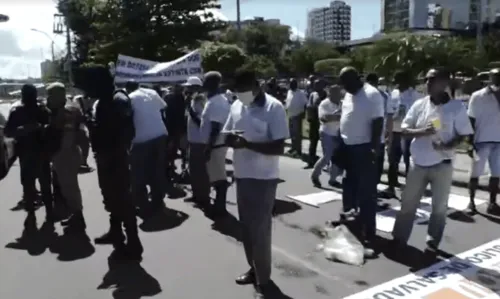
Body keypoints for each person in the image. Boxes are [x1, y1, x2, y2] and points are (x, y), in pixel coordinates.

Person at [392, 68, 473, 252]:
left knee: (439, 207)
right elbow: (404, 131)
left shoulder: (456, 107)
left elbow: (464, 134)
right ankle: (399, 238)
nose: (427, 83)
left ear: (444, 83)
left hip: (442, 165)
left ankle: (432, 242)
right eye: (426, 80)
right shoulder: (419, 105)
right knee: (408, 204)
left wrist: (448, 145)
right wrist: (422, 132)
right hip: (417, 164)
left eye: (432, 80)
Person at [223, 70, 289, 297]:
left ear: (255, 85)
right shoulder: (236, 106)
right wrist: (229, 139)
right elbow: (228, 133)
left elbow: (279, 147)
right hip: (242, 176)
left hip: (264, 179)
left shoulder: (274, 108)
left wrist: (247, 144)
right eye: (236, 90)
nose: (239, 94)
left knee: (260, 231)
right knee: (247, 229)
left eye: (242, 89)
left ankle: (264, 281)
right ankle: (254, 269)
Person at [89, 67, 143, 261]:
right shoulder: (103, 101)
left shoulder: (118, 99)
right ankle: (116, 232)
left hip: (115, 157)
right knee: (111, 198)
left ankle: (134, 242)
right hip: (105, 155)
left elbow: (127, 130)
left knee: (122, 200)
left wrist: (117, 150)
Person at [339, 67, 384, 249]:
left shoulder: (372, 94)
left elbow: (378, 122)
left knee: (366, 193)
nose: (345, 88)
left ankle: (367, 231)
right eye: (343, 84)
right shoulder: (349, 94)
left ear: (357, 78)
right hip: (348, 147)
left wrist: (373, 149)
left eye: (347, 83)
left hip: (365, 148)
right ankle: (351, 224)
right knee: (348, 187)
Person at [5, 84, 53, 220]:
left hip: (38, 152)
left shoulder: (42, 110)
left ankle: (46, 213)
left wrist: (40, 128)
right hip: (29, 153)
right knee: (31, 185)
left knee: (40, 184)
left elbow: (52, 128)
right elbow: (9, 132)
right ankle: (34, 213)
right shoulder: (18, 112)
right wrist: (23, 129)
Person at [45, 82, 86, 232]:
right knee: (68, 187)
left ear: (57, 95)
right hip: (66, 154)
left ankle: (78, 217)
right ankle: (75, 215)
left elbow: (69, 135)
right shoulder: (69, 109)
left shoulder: (67, 111)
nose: (48, 99)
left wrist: (60, 155)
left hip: (66, 154)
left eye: (50, 95)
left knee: (70, 188)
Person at [126, 80, 168, 216]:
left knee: (139, 172)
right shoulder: (152, 92)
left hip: (141, 139)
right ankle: (158, 200)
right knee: (157, 169)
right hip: (160, 134)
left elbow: (127, 118)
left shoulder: (129, 99)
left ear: (128, 89)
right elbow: (163, 107)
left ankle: (142, 203)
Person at [383, 71, 422, 197]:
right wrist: (387, 132)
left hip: (408, 133)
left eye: (398, 81)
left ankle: (409, 188)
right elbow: (388, 113)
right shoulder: (393, 94)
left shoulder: (415, 95)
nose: (396, 85)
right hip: (394, 131)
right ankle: (391, 186)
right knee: (392, 160)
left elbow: (419, 114)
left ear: (405, 81)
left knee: (408, 162)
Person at [467, 68, 500, 214]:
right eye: (496, 76)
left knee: (496, 174)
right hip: (481, 140)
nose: (498, 78)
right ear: (490, 78)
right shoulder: (477, 96)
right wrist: (469, 142)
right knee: (475, 173)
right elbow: (471, 120)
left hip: (499, 141)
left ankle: (492, 203)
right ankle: (471, 202)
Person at [200, 71, 231, 217]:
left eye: (205, 81)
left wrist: (208, 147)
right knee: (217, 176)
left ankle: (220, 208)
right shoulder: (214, 100)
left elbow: (215, 128)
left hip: (215, 146)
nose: (203, 83)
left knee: (220, 179)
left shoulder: (218, 102)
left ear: (211, 83)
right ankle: (219, 206)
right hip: (215, 145)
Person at [185, 76, 211, 206]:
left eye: (189, 87)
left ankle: (204, 197)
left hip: (199, 141)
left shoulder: (201, 100)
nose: (187, 89)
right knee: (194, 170)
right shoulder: (193, 100)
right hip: (193, 140)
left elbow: (202, 121)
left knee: (201, 171)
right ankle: (196, 195)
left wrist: (191, 111)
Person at [365, 73, 394, 187]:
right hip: (367, 138)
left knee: (377, 165)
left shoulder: (384, 96)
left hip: (378, 137)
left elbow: (390, 116)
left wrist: (389, 135)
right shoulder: (361, 95)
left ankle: (372, 188)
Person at [311, 85, 342, 187]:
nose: (339, 94)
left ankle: (332, 179)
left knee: (337, 158)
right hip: (327, 133)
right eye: (336, 92)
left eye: (339, 92)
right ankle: (315, 175)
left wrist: (334, 116)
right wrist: (339, 116)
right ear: (330, 93)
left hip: (338, 133)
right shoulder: (324, 104)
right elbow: (324, 118)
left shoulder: (342, 104)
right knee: (327, 157)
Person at [306, 79, 326, 167]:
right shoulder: (312, 94)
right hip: (314, 121)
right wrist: (309, 117)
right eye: (315, 84)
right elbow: (309, 106)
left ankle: (325, 163)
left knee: (325, 143)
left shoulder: (326, 94)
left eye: (318, 84)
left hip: (323, 122)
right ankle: (311, 161)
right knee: (312, 142)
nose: (316, 86)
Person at [285, 79, 308, 157]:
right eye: (290, 84)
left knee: (297, 134)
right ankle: (293, 148)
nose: (291, 85)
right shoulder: (289, 92)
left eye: (293, 84)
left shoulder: (301, 93)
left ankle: (298, 151)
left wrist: (303, 114)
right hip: (290, 115)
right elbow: (288, 102)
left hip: (298, 115)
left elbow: (305, 104)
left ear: (296, 85)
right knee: (292, 134)